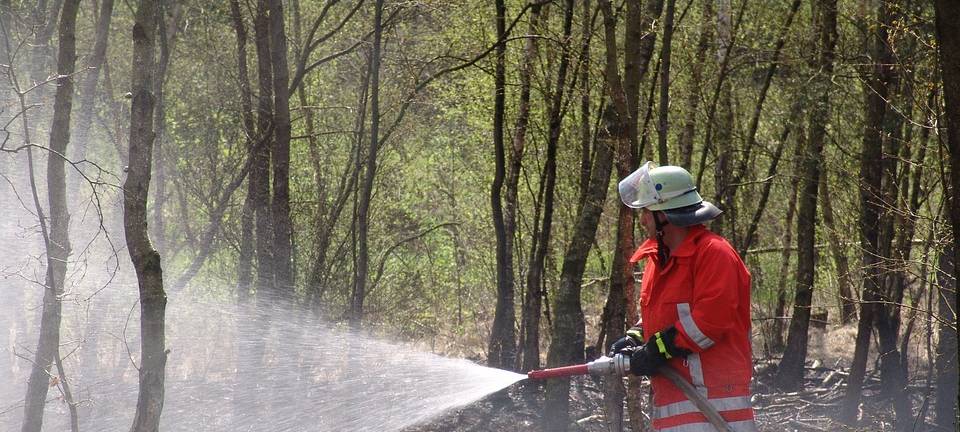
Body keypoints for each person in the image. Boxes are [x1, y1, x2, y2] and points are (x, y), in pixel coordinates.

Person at [610, 161, 756, 432]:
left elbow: (709, 322)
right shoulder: (660, 260)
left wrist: (656, 350)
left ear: (665, 214)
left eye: (646, 211)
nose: (642, 220)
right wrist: (635, 337)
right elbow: (664, 317)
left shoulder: (714, 254)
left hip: (715, 403)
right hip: (675, 403)